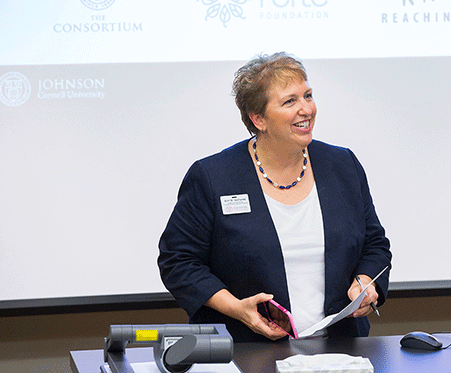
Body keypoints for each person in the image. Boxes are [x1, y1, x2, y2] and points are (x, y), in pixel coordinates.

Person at [158, 52, 392, 343]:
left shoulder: (342, 165)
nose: (306, 109)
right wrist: (237, 308)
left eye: (307, 95)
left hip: (341, 348)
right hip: (248, 349)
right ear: (258, 119)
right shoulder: (212, 177)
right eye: (290, 101)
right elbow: (178, 261)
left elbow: (374, 245)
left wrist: (366, 283)